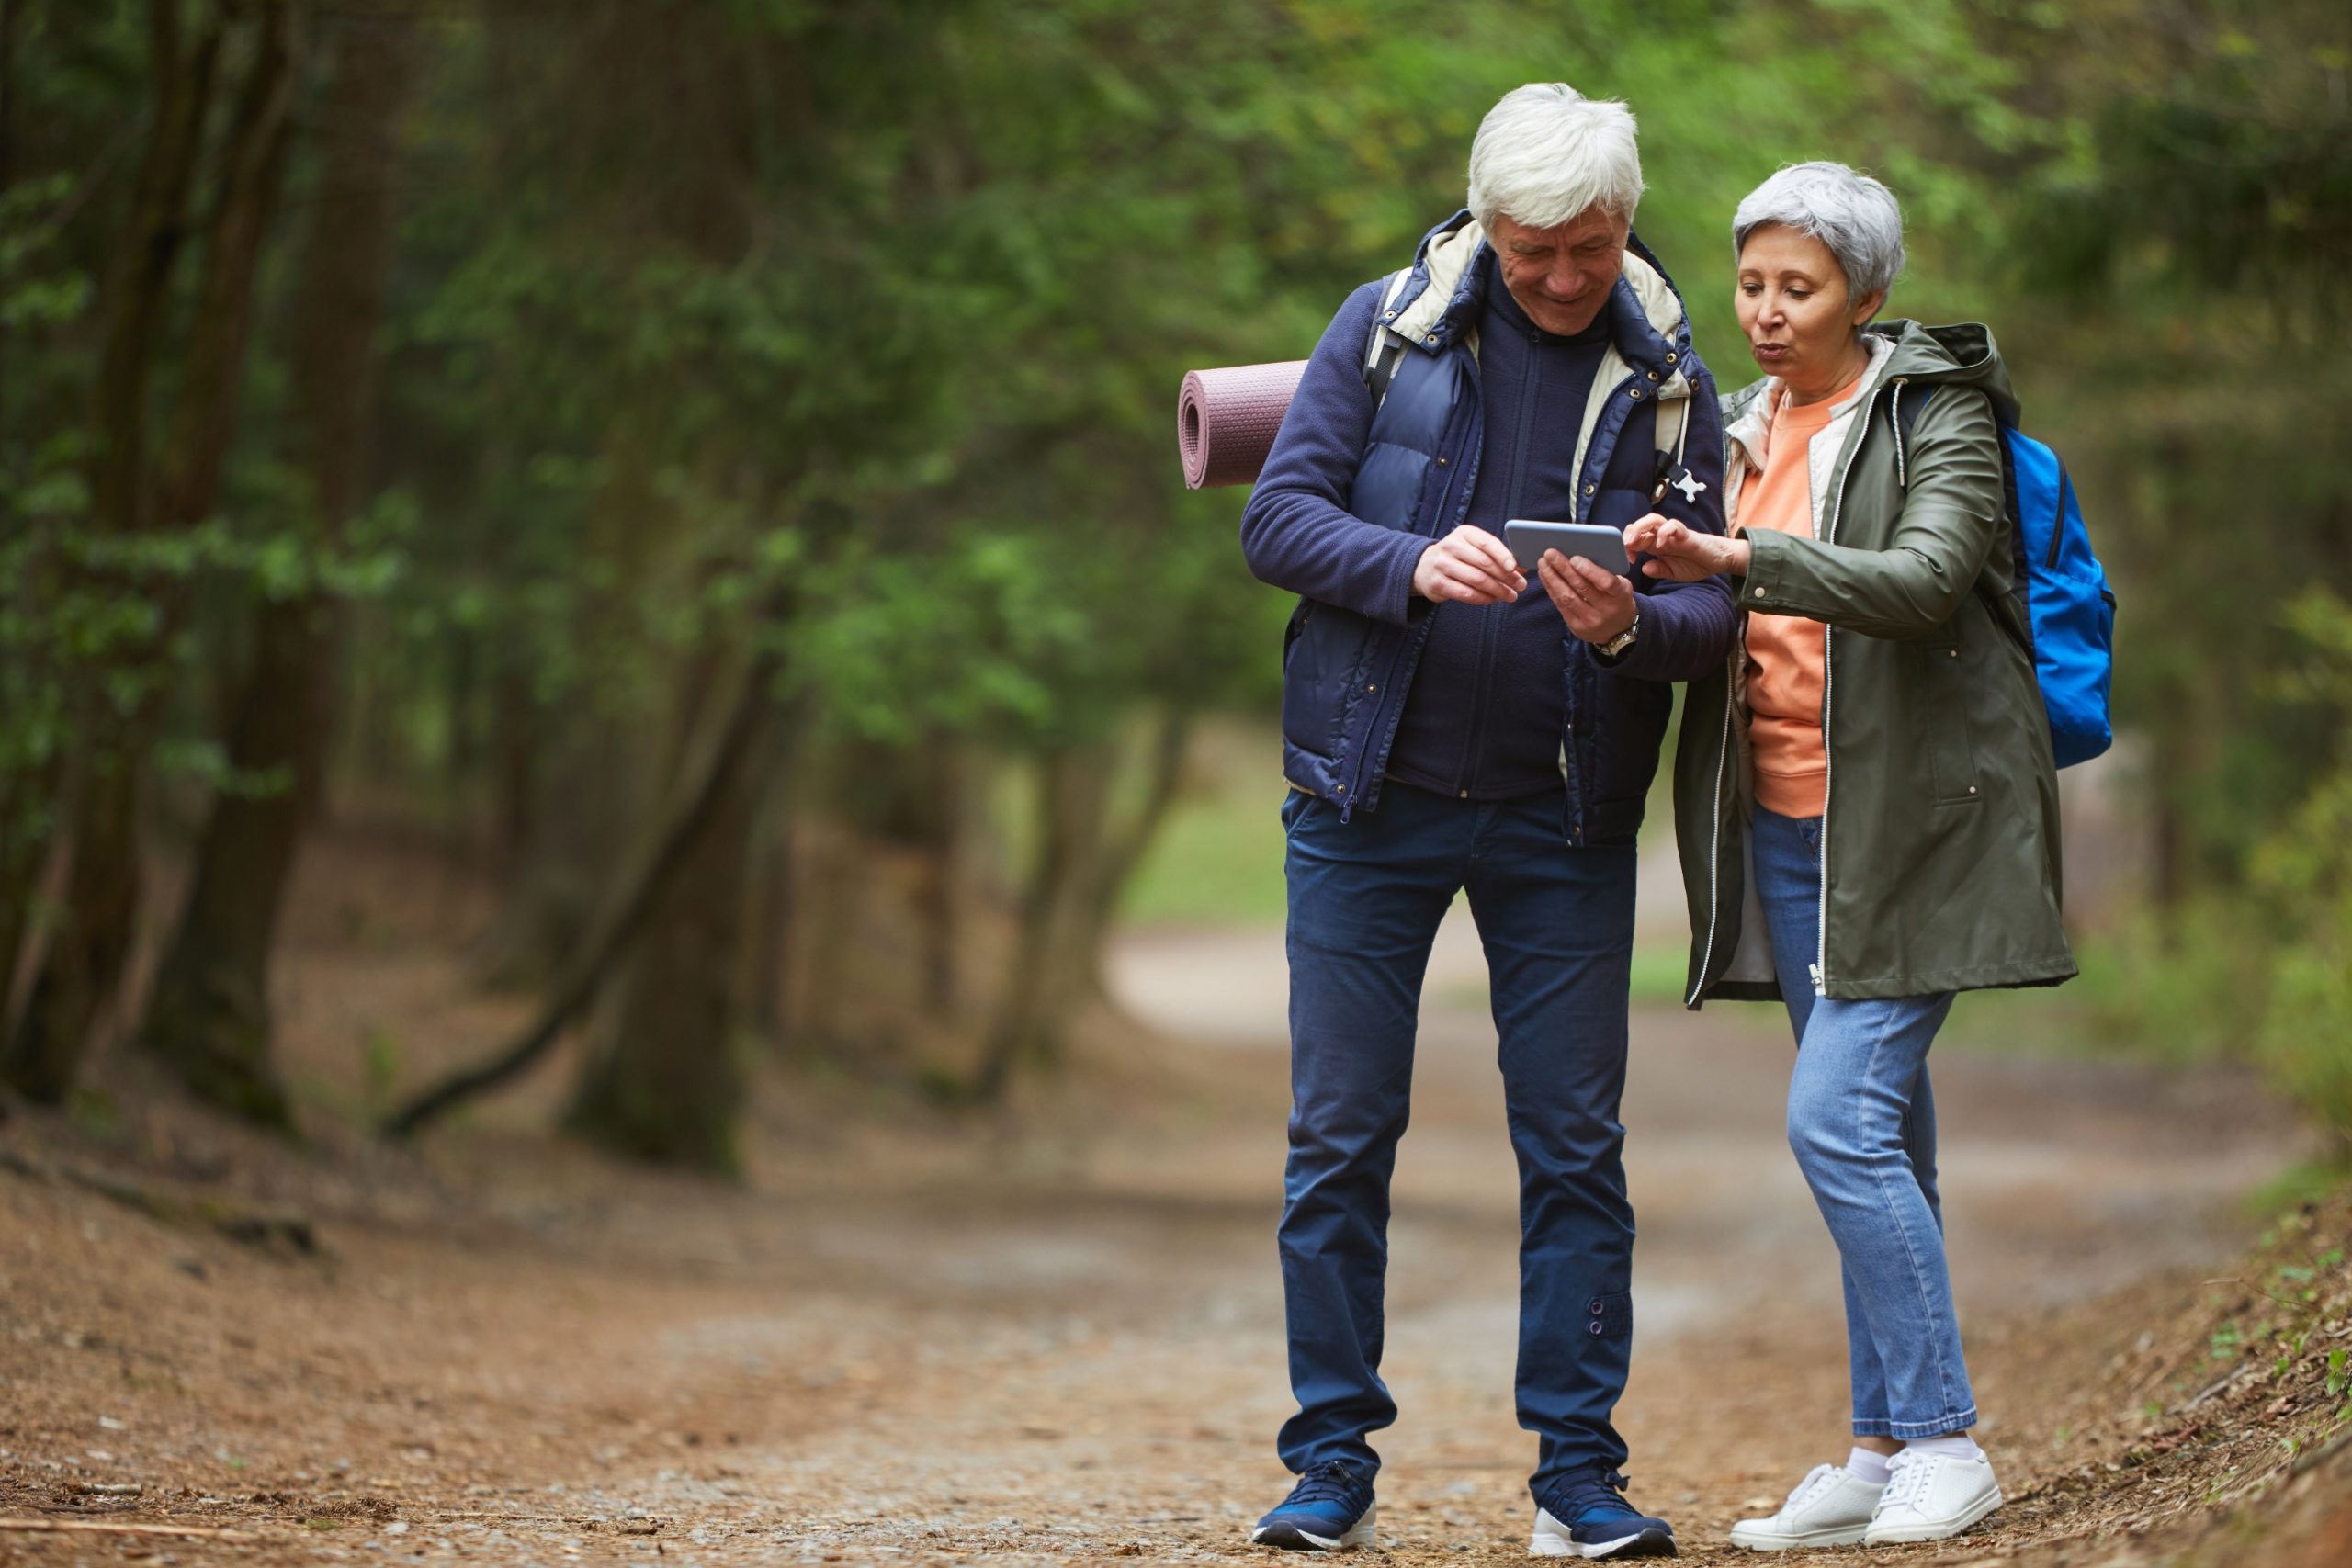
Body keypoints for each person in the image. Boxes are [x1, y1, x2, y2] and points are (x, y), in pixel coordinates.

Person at [1237, 84, 1735, 1557]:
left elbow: (1719, 605)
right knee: (1339, 1138)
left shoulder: (1674, 378)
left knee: (1576, 1151)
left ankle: (1578, 1475)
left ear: (1625, 225)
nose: (1566, 280)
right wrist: (1404, 563)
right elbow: (1279, 518)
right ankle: (1330, 1464)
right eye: (1535, 253)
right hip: (1363, 800)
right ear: (1487, 225)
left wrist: (1627, 628)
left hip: (1560, 817)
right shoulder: (1384, 327)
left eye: (1590, 248)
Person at [1626, 162, 2077, 1549]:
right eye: (1750, 283)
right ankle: (1879, 1447)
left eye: (1797, 288)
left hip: (1918, 819)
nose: (1763, 311)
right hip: (1786, 822)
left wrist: (1739, 557)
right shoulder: (1735, 420)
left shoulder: (1936, 413)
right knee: (1884, 1134)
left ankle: (1947, 1438)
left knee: (1834, 1123)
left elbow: (1929, 579)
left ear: (1865, 296)